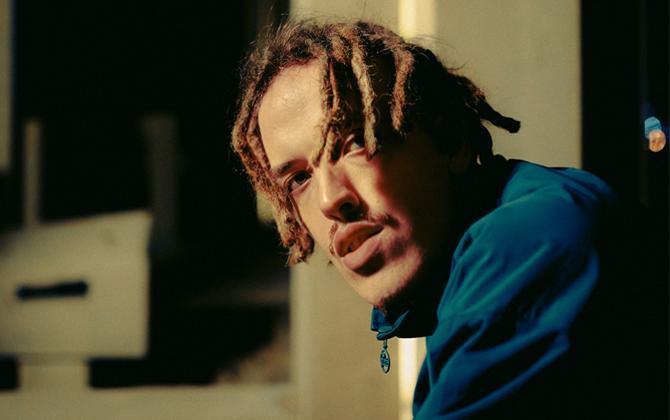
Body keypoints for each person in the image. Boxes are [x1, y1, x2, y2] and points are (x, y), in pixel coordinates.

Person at [231, 20, 667, 419]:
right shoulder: (461, 263)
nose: (330, 200)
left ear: (451, 141)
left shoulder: (528, 244)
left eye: (355, 143)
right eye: (299, 178)